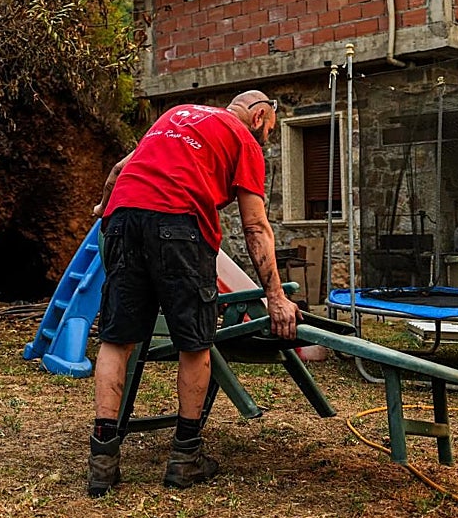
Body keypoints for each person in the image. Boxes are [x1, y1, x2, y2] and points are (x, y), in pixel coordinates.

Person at [86, 90, 301, 497]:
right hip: (179, 227)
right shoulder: (242, 139)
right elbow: (255, 227)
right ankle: (185, 457)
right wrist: (275, 295)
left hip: (122, 220)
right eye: (268, 132)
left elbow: (118, 171)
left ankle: (102, 461)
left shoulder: (176, 115)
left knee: (117, 340)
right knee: (195, 344)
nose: (264, 141)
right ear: (258, 117)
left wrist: (102, 208)